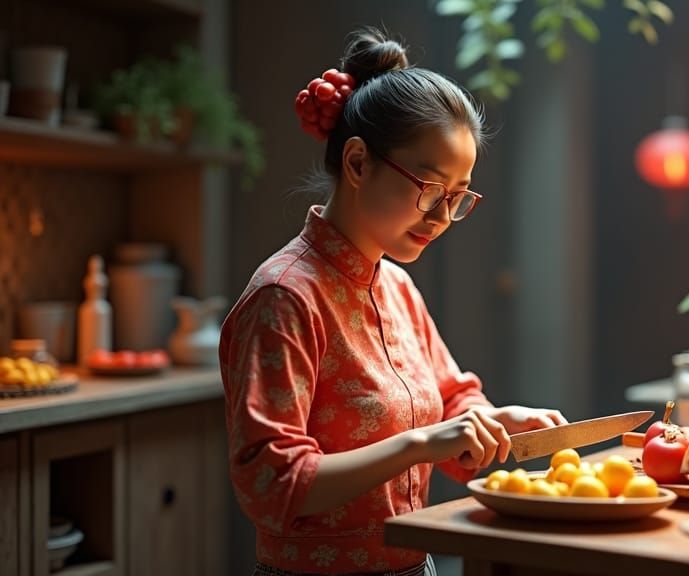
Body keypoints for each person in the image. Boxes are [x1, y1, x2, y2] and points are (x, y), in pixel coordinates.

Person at [220, 27, 568, 576]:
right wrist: (420, 444)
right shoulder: (285, 298)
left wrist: (488, 421)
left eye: (457, 198)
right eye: (430, 190)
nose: (442, 218)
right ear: (358, 163)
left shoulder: (396, 285)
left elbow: (451, 398)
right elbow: (273, 483)